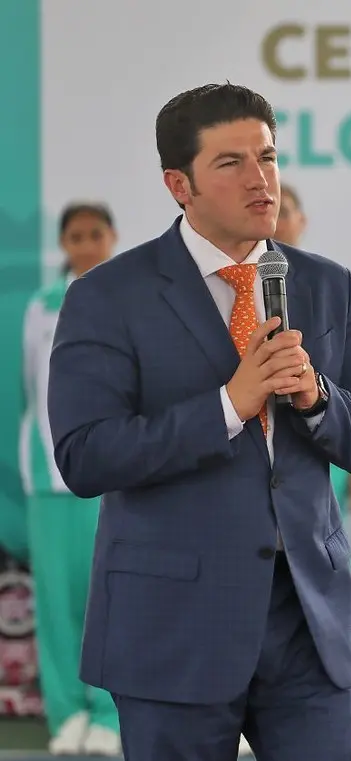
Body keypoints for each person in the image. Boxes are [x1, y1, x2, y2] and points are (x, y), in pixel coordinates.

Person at [45, 83, 351, 761]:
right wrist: (228, 407)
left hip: (307, 624)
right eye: (231, 162)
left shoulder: (328, 286)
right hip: (173, 626)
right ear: (179, 184)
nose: (261, 178)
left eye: (267, 156)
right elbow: (86, 455)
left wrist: (317, 396)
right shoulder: (107, 297)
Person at [21, 201, 120, 755]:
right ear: (63, 244)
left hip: (109, 473)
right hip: (47, 477)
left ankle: (109, 713)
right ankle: (66, 714)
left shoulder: (126, 298)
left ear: (112, 237)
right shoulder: (39, 308)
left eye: (95, 234)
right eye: (75, 236)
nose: (85, 245)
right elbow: (28, 392)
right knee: (56, 604)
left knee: (109, 597)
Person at [274, 183, 351, 564]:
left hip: (323, 462)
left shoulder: (331, 290)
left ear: (302, 221)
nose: (275, 220)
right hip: (256, 470)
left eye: (284, 211)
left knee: (319, 567)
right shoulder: (232, 288)